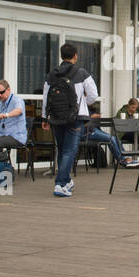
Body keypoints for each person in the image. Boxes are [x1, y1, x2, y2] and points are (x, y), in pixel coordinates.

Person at [42, 43, 99, 197]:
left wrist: (44, 117)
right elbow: (93, 95)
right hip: (75, 117)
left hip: (55, 117)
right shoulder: (81, 73)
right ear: (75, 56)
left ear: (61, 56)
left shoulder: (52, 74)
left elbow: (46, 98)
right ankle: (60, 184)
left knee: (62, 150)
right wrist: (83, 102)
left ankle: (66, 181)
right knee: (69, 151)